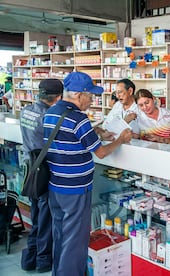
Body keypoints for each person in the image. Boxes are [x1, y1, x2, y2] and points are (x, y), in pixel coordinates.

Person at [43, 72, 132, 276]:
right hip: (76, 188)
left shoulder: (51, 112)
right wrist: (120, 140)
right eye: (90, 96)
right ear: (79, 95)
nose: (91, 101)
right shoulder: (78, 119)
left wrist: (96, 132)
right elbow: (100, 152)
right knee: (75, 239)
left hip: (56, 185)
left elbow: (67, 137)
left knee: (61, 234)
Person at [19, 79, 63, 273]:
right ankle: (43, 261)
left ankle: (29, 259)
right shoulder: (49, 116)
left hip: (31, 168)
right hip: (45, 171)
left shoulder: (26, 110)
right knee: (45, 219)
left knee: (37, 215)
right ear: (59, 97)